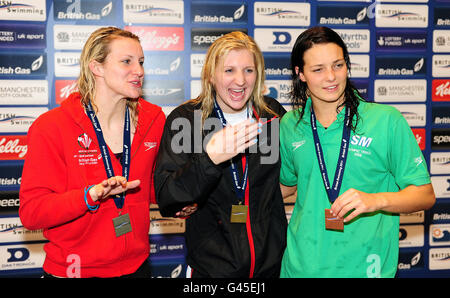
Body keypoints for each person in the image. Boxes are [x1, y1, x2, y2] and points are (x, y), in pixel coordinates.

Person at [279, 26, 435, 278]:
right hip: (298, 269)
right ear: (301, 74)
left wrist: (375, 200)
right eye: (318, 69)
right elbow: (285, 186)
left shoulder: (385, 121)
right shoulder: (290, 125)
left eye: (338, 65)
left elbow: (425, 195)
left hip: (365, 270)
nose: (331, 77)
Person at [19, 27, 165, 278]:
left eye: (140, 62)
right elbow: (32, 212)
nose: (139, 71)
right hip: (75, 270)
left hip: (137, 267)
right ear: (97, 67)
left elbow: (151, 185)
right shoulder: (52, 126)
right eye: (126, 62)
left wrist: (182, 197)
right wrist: (90, 196)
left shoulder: (154, 119)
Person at [154, 31, 287, 278]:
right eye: (229, 71)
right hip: (212, 269)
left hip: (271, 268)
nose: (240, 81)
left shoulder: (272, 115)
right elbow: (167, 198)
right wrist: (210, 159)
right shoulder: (187, 120)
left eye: (248, 70)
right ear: (211, 75)